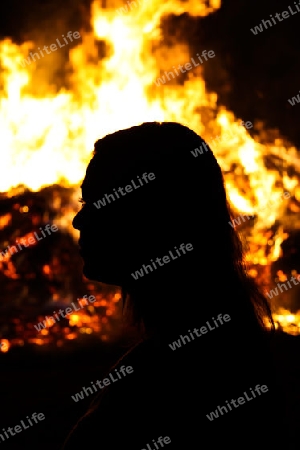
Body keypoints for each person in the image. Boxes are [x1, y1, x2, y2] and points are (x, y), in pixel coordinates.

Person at [63, 122, 289, 449]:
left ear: (154, 214)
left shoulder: (181, 374)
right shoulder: (224, 346)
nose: (79, 220)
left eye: (99, 202)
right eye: (85, 203)